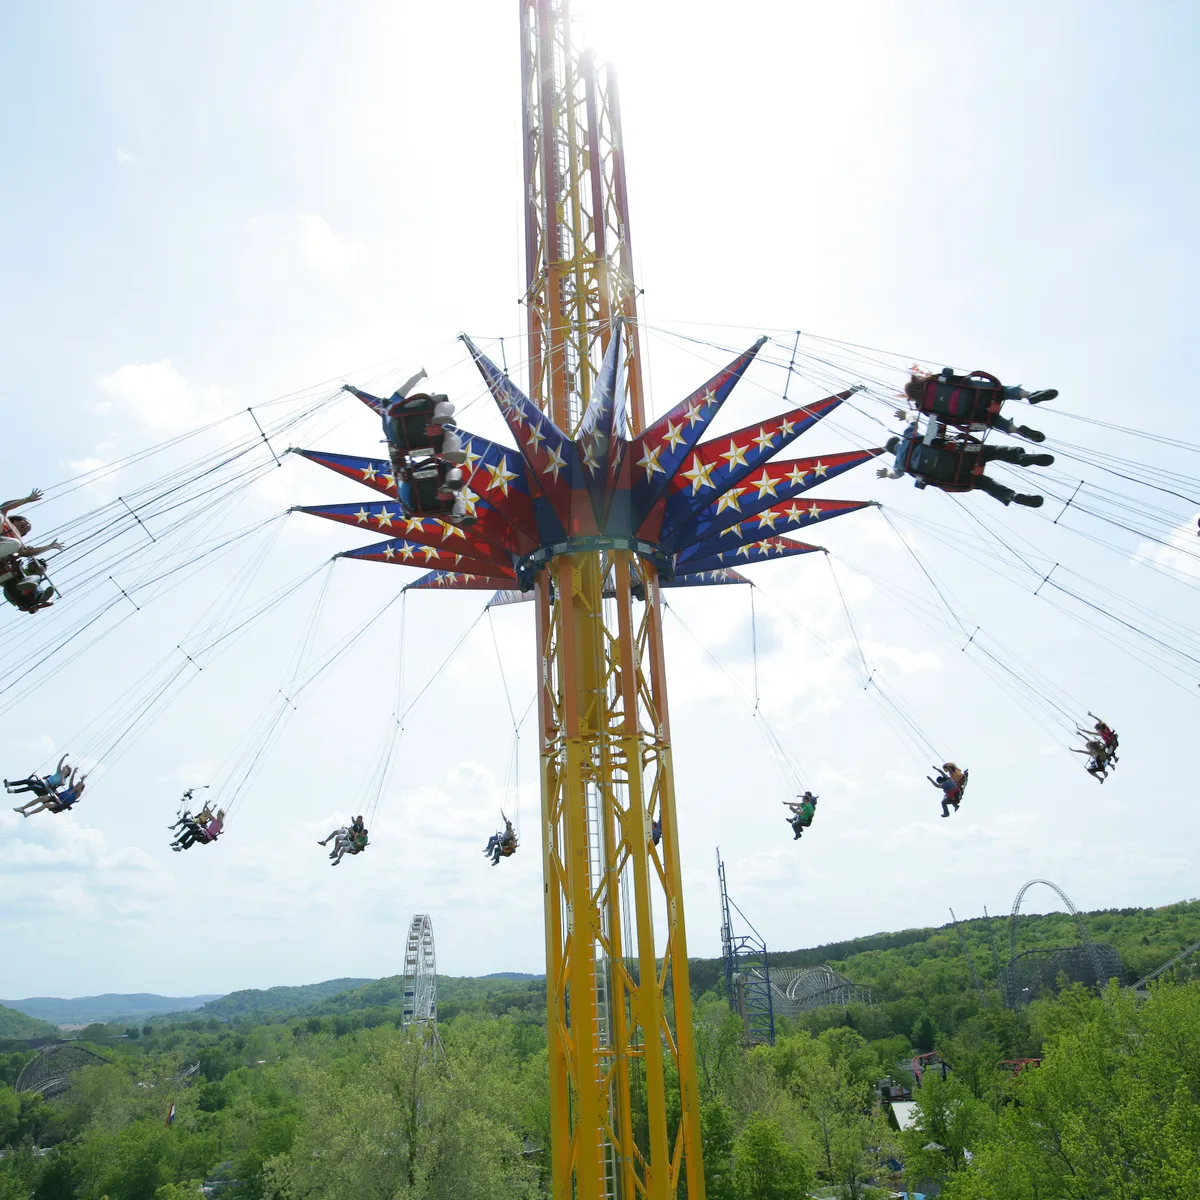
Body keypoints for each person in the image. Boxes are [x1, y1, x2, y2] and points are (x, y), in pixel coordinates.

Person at [877, 418, 1054, 508]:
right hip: (959, 454)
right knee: (992, 452)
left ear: (893, 452)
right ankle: (1020, 458)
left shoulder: (898, 464)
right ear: (897, 442)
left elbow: (895, 475)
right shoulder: (908, 437)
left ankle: (1012, 496)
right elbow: (913, 421)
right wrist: (906, 416)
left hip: (952, 476)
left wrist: (886, 474)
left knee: (983, 483)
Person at [897, 368, 1056, 440]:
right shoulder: (932, 381)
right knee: (1001, 391)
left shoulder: (923, 408)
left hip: (970, 414)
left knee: (993, 421)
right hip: (977, 393)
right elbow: (950, 375)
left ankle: (1017, 430)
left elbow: (940, 421)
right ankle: (1029, 395)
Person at [0, 489, 65, 559]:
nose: (27, 526)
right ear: (16, 520)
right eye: (26, 522)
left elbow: (26, 553)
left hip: (3, 542)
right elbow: (4, 507)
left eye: (28, 528)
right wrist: (26, 500)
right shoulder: (5, 520)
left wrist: (49, 547)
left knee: (16, 544)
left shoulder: (19, 541)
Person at [14, 773, 87, 817]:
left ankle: (29, 813)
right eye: (77, 784)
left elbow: (80, 788)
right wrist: (74, 772)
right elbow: (71, 779)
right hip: (56, 798)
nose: (77, 785)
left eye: (78, 785)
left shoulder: (77, 795)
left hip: (60, 804)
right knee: (41, 798)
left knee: (47, 805)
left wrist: (82, 781)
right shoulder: (71, 788)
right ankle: (22, 808)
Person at [5, 754, 71, 796]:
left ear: (68, 772)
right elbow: (59, 763)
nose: (65, 769)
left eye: (66, 769)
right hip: (43, 782)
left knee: (32, 787)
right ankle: (10, 783)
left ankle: (13, 791)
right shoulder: (58, 773)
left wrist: (62, 774)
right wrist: (64, 756)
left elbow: (62, 782)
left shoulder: (64, 780)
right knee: (28, 781)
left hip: (46, 788)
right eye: (65, 767)